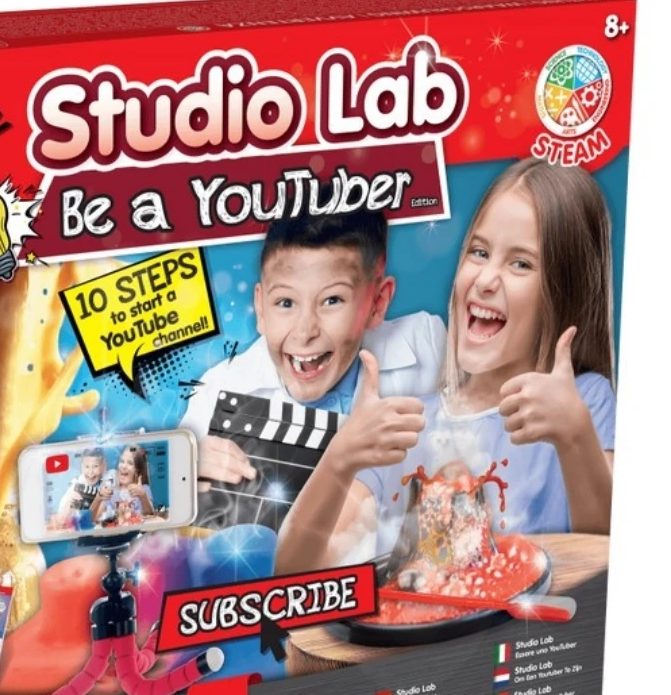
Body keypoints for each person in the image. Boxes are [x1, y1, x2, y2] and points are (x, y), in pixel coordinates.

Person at [275, 158, 616, 575]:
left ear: (565, 291)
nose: (486, 279)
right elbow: (292, 573)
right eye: (479, 252)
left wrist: (576, 438)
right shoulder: (405, 424)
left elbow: (610, 560)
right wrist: (339, 458)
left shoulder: (584, 403)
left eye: (521, 263)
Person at [180, 208, 445, 491]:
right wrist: (183, 477)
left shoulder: (426, 343)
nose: (305, 332)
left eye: (332, 300)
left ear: (377, 303)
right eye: (285, 303)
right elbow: (158, 497)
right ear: (261, 308)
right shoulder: (215, 393)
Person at [92, 445, 155, 525]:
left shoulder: (144, 490)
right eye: (122, 461)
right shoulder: (111, 492)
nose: (124, 466)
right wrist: (98, 498)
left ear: (137, 470)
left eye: (130, 463)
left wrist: (143, 496)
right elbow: (93, 519)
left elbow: (151, 515)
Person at [57, 448, 106, 520]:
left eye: (95, 466)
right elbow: (62, 512)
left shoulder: (107, 480)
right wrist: (69, 503)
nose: (90, 472)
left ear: (103, 466)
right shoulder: (77, 484)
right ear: (82, 467)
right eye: (87, 467)